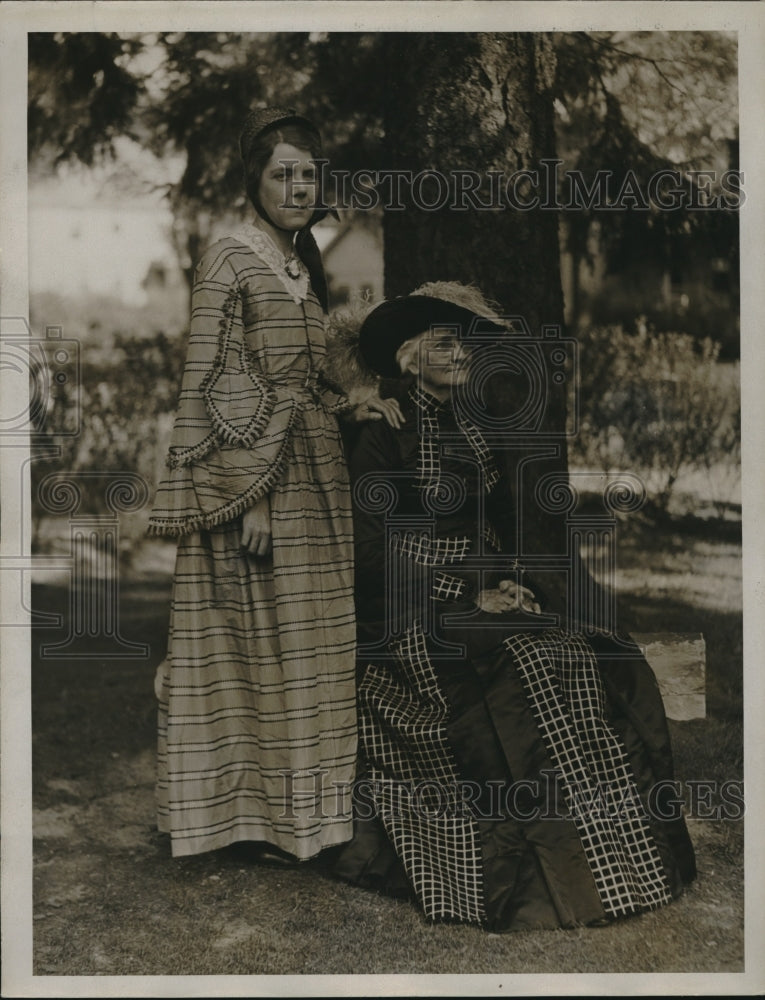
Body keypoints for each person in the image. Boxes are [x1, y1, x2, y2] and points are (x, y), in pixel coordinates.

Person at [332, 284, 697, 930]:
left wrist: (509, 582)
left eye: (465, 340)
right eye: (446, 343)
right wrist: (465, 590)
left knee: (595, 650)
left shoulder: (474, 430)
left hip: (476, 599)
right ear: (412, 359)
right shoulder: (383, 434)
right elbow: (369, 554)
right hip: (407, 613)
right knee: (523, 661)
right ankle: (554, 878)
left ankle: (619, 855)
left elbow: (497, 531)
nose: (462, 352)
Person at [148, 106, 401, 862]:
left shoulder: (302, 262)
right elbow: (216, 377)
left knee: (309, 652)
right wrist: (248, 496)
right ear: (253, 182)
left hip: (314, 481)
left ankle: (305, 824)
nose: (297, 185)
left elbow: (307, 376)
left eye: (307, 175)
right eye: (282, 173)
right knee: (250, 652)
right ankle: (239, 824)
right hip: (255, 484)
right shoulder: (229, 255)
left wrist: (353, 400)